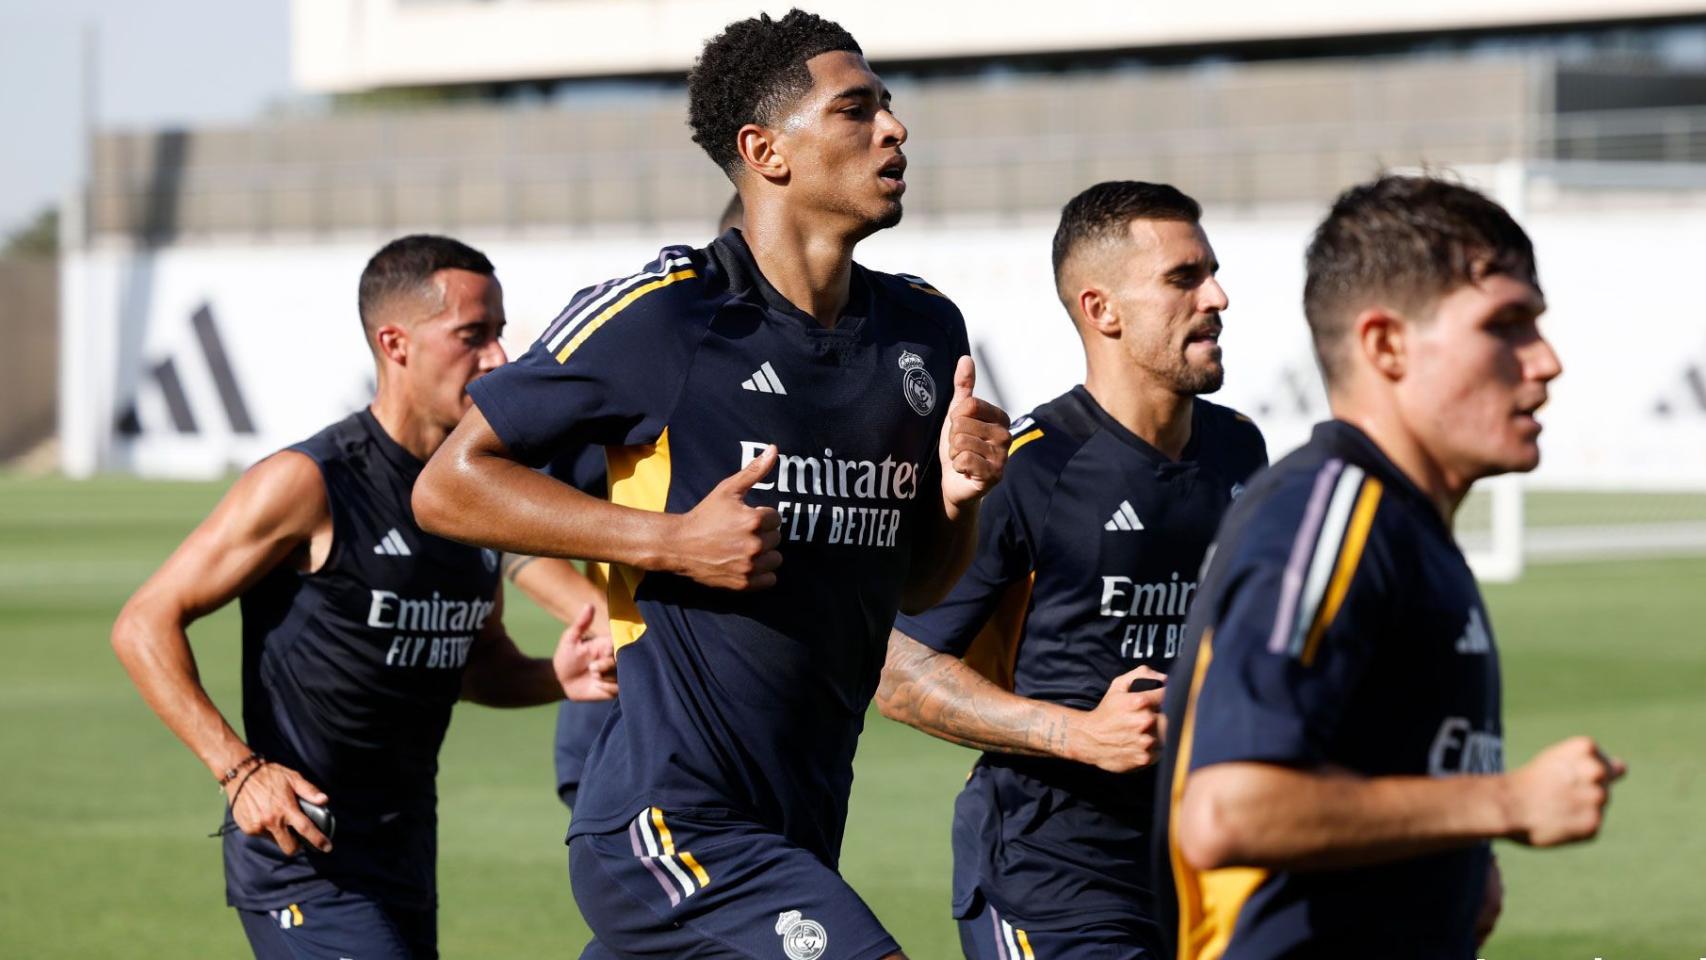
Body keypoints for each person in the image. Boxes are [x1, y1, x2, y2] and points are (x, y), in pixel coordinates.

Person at [411, 9, 1011, 958]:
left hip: (801, 822)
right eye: (856, 111)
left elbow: (921, 587)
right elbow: (449, 487)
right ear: (764, 151)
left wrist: (957, 501)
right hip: (668, 820)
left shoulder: (924, 331)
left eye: (888, 108)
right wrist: (669, 542)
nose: (895, 130)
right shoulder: (671, 315)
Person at [1155, 175, 1625, 958]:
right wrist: (1505, 802)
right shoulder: (1330, 512)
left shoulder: (1404, 525)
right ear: (1386, 346)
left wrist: (1451, 869)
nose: (1545, 362)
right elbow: (1229, 810)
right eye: (1506, 325)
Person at [110, 235, 617, 960]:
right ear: (395, 342)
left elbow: (473, 664)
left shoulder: (476, 493)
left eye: (501, 333)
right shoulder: (308, 483)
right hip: (303, 857)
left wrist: (551, 677)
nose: (499, 358)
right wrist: (239, 770)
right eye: (473, 336)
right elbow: (142, 623)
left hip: (404, 856)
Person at [877, 181, 1267, 959]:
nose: (1217, 297)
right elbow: (895, 671)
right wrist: (1080, 733)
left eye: (1213, 272)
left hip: (1200, 864)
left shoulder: (1239, 451)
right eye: (1184, 278)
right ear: (1103, 310)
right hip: (1052, 877)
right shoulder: (1032, 469)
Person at [543, 192, 745, 813]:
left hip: (761, 726)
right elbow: (504, 520)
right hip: (634, 706)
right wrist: (598, 612)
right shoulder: (657, 364)